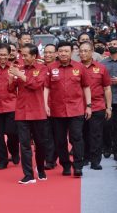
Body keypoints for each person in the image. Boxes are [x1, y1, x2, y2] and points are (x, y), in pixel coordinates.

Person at [44, 41, 92, 177]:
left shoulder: (80, 67)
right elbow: (46, 87)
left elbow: (86, 87)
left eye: (66, 51)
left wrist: (88, 106)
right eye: (61, 51)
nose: (63, 54)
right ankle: (65, 164)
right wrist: (45, 105)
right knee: (59, 140)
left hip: (76, 109)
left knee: (77, 138)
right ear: (57, 53)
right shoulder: (51, 68)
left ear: (71, 52)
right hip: (57, 110)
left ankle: (77, 166)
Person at [8, 44, 48, 184]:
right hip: (22, 112)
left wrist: (20, 75)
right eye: (21, 55)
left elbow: (36, 85)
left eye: (25, 55)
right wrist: (11, 78)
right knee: (24, 145)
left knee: (40, 144)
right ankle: (28, 175)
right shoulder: (20, 69)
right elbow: (11, 89)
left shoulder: (42, 68)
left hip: (37, 112)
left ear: (34, 56)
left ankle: (41, 169)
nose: (22, 58)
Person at [79, 41, 112, 170]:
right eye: (81, 51)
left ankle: (95, 160)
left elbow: (107, 88)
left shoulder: (101, 67)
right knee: (81, 134)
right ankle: (84, 158)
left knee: (96, 134)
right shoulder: (75, 68)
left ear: (92, 51)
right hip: (78, 107)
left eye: (86, 50)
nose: (83, 53)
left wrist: (108, 107)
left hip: (97, 105)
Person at [101, 38, 117, 161]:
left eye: (115, 44)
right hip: (107, 100)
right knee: (106, 126)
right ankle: (107, 147)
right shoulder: (103, 63)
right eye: (110, 44)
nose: (112, 45)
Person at [43, 44, 58, 169]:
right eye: (46, 52)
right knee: (46, 134)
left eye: (50, 52)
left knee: (58, 134)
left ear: (56, 54)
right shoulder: (39, 67)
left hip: (59, 106)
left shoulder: (60, 67)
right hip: (42, 105)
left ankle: (54, 157)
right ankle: (49, 159)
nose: (48, 55)